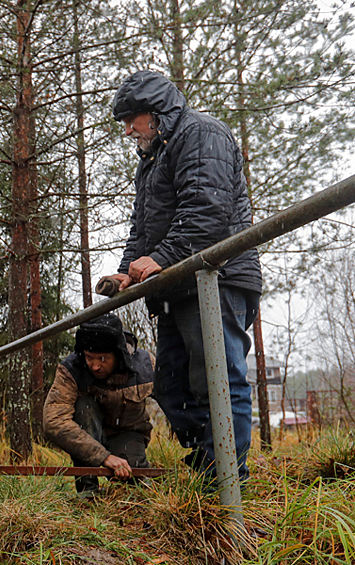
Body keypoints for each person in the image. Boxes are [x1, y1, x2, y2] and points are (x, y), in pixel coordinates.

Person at [101, 70, 262, 482]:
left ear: (155, 113)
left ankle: (226, 482)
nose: (127, 130)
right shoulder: (152, 160)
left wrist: (160, 258)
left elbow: (207, 210)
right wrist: (125, 273)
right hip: (175, 284)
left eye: (130, 120)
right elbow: (142, 226)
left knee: (218, 380)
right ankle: (208, 462)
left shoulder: (202, 134)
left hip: (215, 277)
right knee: (171, 385)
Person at [44, 313, 154, 495]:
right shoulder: (71, 370)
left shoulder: (145, 366)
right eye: (89, 357)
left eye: (102, 359)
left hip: (127, 433)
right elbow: (53, 421)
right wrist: (103, 456)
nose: (94, 366)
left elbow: (177, 400)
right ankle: (88, 490)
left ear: (118, 354)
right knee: (84, 406)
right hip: (87, 436)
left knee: (133, 485)